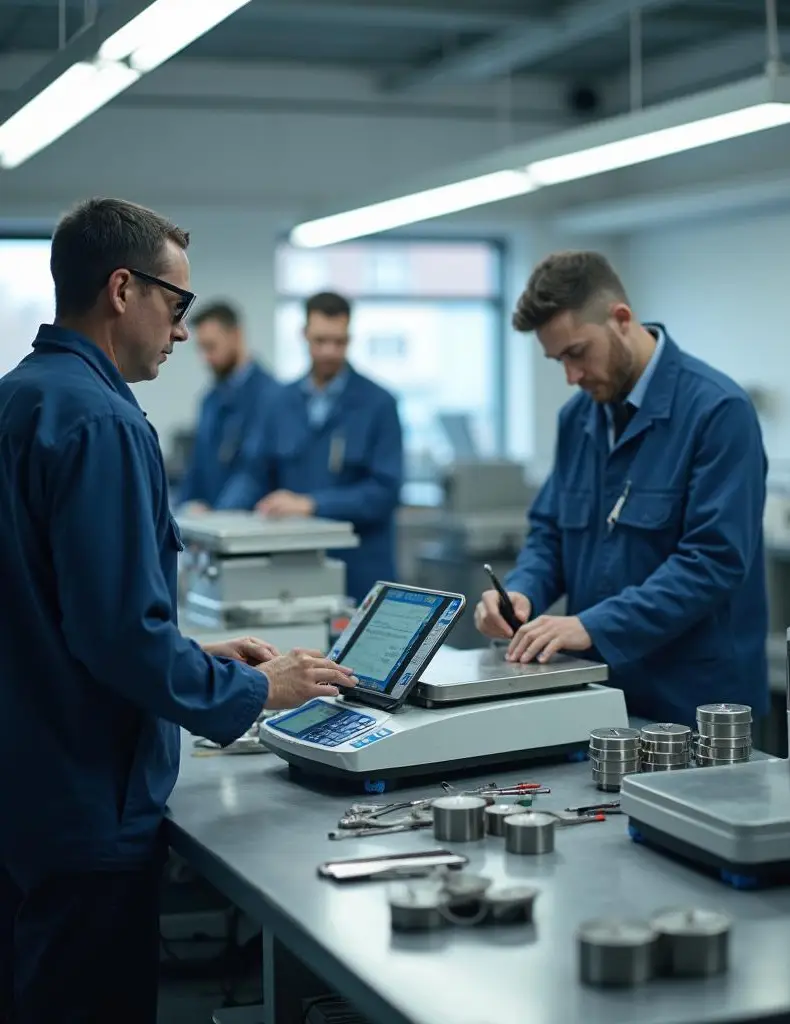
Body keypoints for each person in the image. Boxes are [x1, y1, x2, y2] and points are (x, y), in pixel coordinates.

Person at [0, 197, 355, 1024]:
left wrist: (196, 652)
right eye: (177, 303)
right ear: (123, 289)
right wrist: (254, 692)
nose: (184, 330)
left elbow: (57, 603)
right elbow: (117, 635)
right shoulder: (103, 422)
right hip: (86, 799)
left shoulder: (21, 398)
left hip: (26, 785)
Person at [475, 250, 769, 727]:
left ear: (621, 319)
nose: (571, 377)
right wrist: (522, 593)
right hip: (600, 690)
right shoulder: (579, 418)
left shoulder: (718, 412)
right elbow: (550, 532)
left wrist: (591, 625)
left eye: (576, 353)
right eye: (557, 361)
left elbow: (712, 562)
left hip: (697, 705)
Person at [247, 291, 404, 604]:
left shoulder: (378, 405)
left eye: (339, 341)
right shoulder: (279, 402)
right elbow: (254, 475)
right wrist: (215, 521)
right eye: (320, 340)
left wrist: (312, 504)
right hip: (294, 570)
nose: (330, 351)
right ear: (304, 335)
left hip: (360, 574)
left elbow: (384, 493)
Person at [177, 300, 279, 512]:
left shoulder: (272, 396)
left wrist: (217, 518)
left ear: (236, 335)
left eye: (211, 347)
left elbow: (253, 473)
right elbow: (196, 468)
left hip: (248, 529)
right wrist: (183, 511)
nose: (206, 358)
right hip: (210, 529)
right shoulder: (209, 401)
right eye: (201, 349)